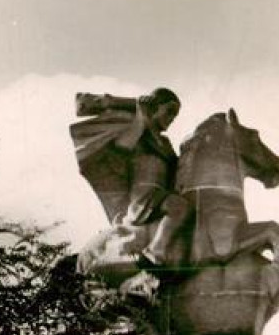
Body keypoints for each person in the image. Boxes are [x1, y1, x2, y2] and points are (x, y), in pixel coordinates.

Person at [70, 87, 193, 269]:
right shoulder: (137, 132)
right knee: (180, 207)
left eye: (175, 115)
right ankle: (155, 253)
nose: (172, 118)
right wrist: (141, 119)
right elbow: (121, 148)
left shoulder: (165, 143)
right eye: (169, 111)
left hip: (163, 193)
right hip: (144, 197)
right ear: (154, 107)